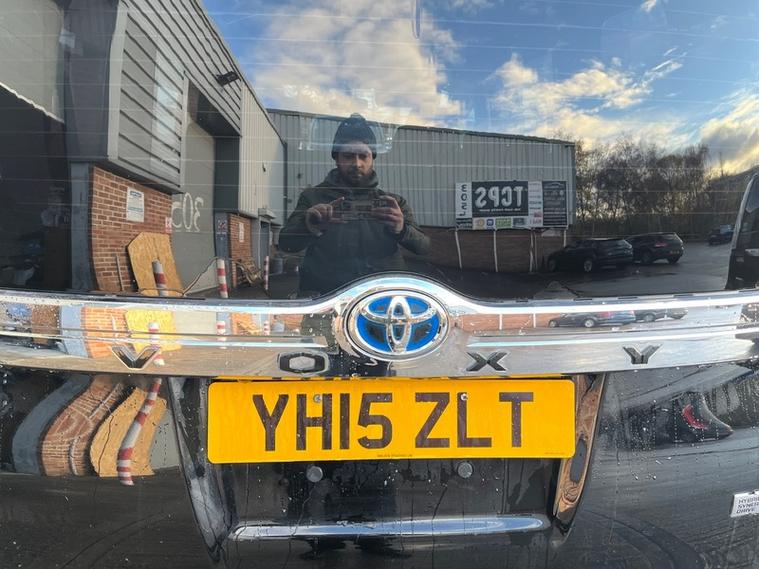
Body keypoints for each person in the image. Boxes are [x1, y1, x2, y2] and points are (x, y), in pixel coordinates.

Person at [279, 113, 430, 297]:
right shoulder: (313, 197)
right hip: (325, 299)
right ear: (336, 158)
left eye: (363, 156)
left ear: (372, 158)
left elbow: (424, 247)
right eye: (348, 156)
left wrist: (401, 229)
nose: (356, 163)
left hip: (382, 297)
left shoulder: (394, 203)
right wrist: (309, 226)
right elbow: (286, 244)